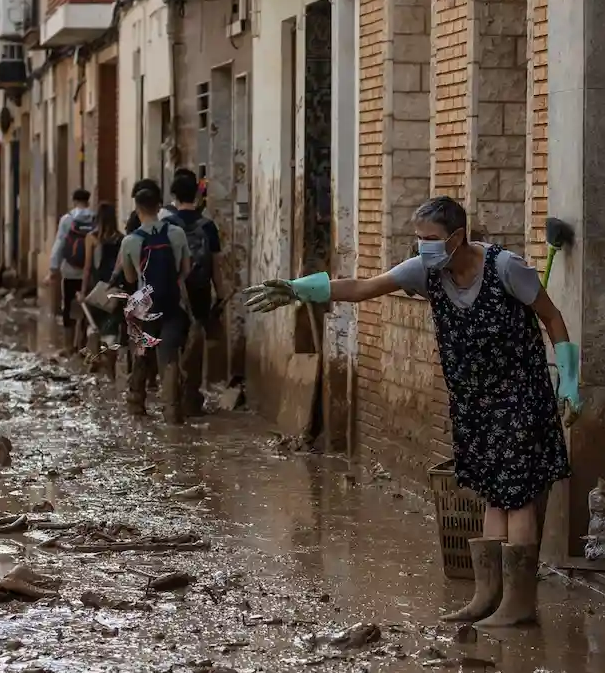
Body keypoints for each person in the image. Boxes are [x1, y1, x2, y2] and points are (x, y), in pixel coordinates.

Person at [245, 196, 580, 627]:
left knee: (517, 499)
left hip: (519, 398)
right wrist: (298, 289)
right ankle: (488, 596)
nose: (423, 247)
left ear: (458, 237)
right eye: (418, 239)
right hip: (473, 402)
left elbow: (552, 318)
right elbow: (364, 287)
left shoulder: (505, 268)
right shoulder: (426, 271)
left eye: (431, 239)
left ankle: (519, 604)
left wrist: (569, 380)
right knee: (492, 496)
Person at [120, 178, 191, 423]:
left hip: (144, 307)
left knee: (141, 354)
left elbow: (130, 277)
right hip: (172, 304)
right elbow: (186, 270)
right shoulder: (177, 233)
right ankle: (172, 413)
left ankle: (136, 407)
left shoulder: (129, 241)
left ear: (137, 208)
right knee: (169, 358)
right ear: (159, 205)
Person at [168, 172, 222, 414]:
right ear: (197, 194)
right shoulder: (208, 226)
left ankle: (172, 396)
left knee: (174, 342)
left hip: (175, 292)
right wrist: (220, 293)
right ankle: (192, 396)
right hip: (200, 290)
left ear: (174, 196)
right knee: (196, 344)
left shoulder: (168, 225)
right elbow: (216, 265)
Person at [81, 201, 125, 375]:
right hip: (114, 291)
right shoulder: (122, 239)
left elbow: (87, 268)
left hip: (95, 291)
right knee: (111, 331)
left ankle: (94, 367)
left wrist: (83, 292)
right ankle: (110, 373)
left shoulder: (91, 238)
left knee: (93, 329)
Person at [49, 188, 95, 328]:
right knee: (88, 307)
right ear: (88, 201)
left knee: (68, 305)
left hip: (70, 270)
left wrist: (53, 267)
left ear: (74, 201)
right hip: (90, 272)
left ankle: (69, 345)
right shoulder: (95, 218)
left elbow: (60, 242)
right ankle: (83, 343)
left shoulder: (67, 219)